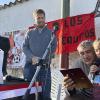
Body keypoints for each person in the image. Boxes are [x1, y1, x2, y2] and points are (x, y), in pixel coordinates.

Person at [23, 9, 57, 100]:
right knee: (30, 95)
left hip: (44, 68)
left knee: (45, 95)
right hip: (30, 67)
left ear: (45, 18)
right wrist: (32, 57)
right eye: (38, 18)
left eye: (42, 17)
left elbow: (53, 48)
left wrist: (43, 59)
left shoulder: (51, 34)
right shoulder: (29, 33)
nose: (40, 19)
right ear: (35, 19)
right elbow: (25, 47)